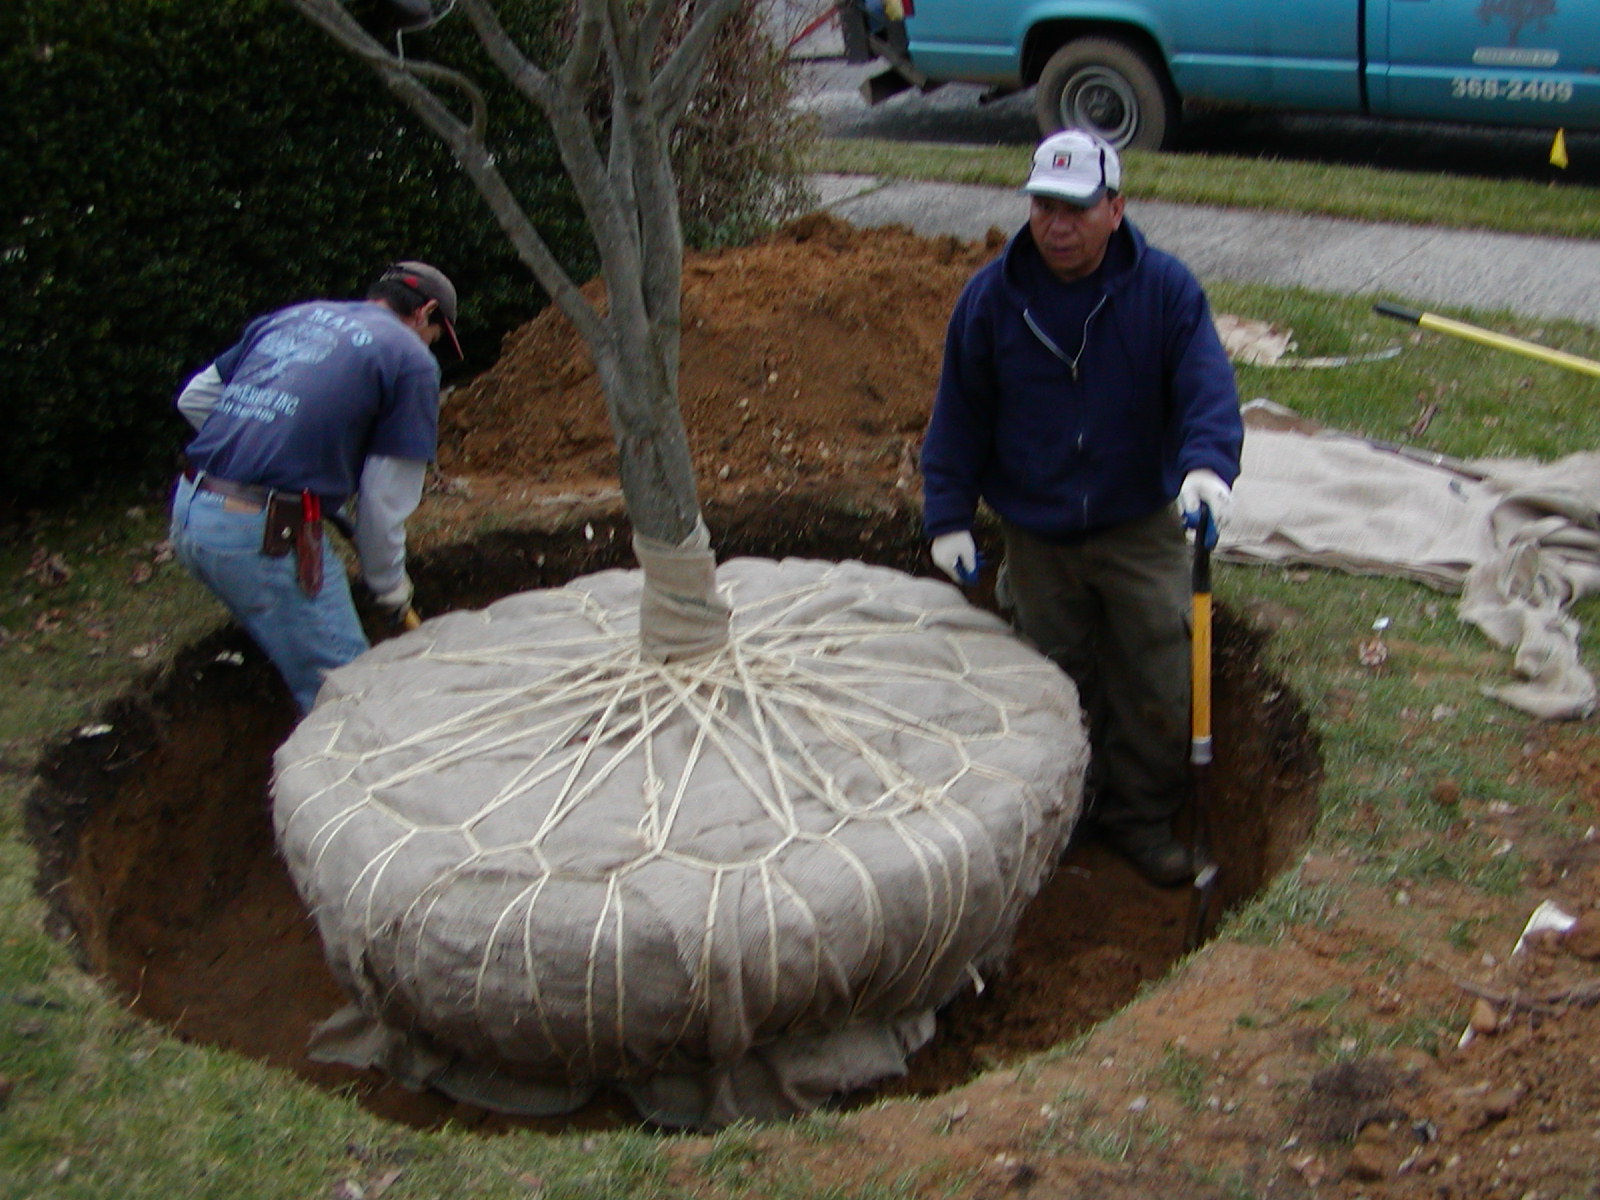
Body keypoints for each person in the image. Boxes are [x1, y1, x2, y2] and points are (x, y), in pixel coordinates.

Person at [920, 130, 1243, 886]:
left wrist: (1206, 467)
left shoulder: (1164, 291)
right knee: (1049, 681)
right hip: (1036, 533)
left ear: (1116, 207)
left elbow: (1206, 386)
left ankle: (1139, 820)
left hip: (1138, 524)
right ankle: (1067, 815)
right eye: (1042, 206)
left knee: (1158, 674)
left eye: (1075, 208)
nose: (1056, 225)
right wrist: (946, 516)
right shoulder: (992, 299)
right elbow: (958, 413)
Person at [170, 261, 461, 715]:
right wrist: (389, 587)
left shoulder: (295, 317)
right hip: (260, 536)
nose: (430, 346)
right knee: (347, 696)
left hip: (191, 510)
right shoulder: (410, 360)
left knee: (307, 661)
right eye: (436, 337)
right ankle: (358, 780)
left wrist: (272, 454)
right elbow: (382, 503)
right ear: (425, 312)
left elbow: (195, 398)